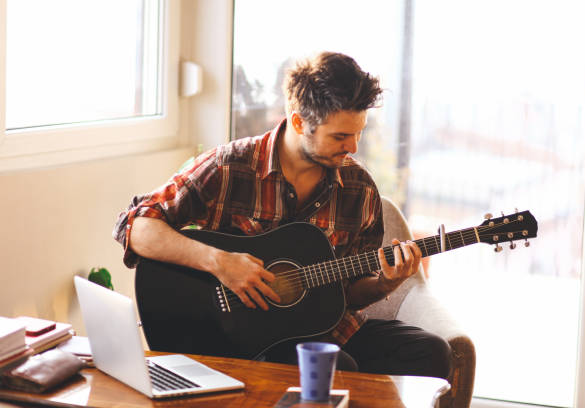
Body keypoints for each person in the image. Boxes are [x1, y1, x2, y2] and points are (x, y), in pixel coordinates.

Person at [113, 51, 451, 379]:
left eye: (359, 133)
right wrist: (218, 261)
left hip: (325, 328)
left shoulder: (358, 188)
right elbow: (136, 227)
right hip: (237, 336)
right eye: (341, 136)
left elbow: (347, 293)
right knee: (335, 369)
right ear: (300, 122)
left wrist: (385, 282)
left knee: (432, 351)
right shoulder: (228, 167)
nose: (353, 147)